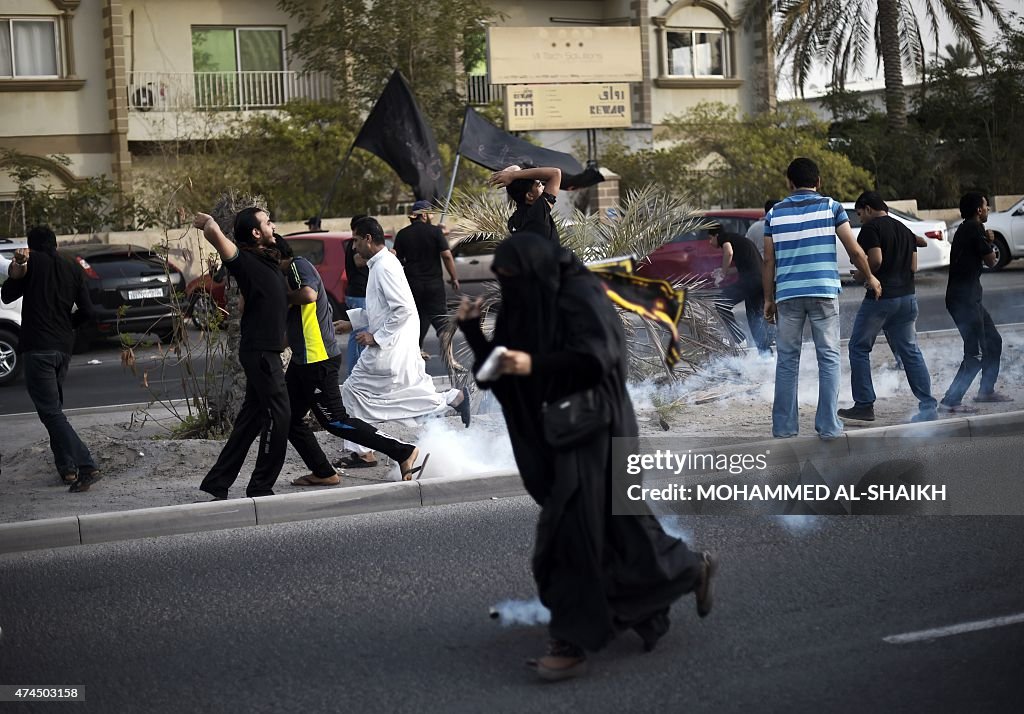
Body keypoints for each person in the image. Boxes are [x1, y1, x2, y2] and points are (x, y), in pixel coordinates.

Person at [456, 233, 715, 682]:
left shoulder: (579, 294)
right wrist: (473, 332)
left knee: (567, 536)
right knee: (622, 530)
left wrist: (533, 365)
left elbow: (598, 358)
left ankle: (570, 642)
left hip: (597, 428)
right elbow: (497, 372)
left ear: (536, 268)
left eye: (514, 276)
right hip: (556, 432)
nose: (509, 286)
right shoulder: (525, 302)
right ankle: (688, 570)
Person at [276, 236, 425, 485]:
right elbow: (296, 326)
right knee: (289, 418)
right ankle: (324, 472)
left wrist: (278, 295)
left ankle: (403, 451)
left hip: (317, 361)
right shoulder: (289, 274)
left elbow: (309, 295)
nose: (353, 248)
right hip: (304, 360)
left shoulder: (297, 267)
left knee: (335, 421)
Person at [337, 217, 470, 469]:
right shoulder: (380, 264)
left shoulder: (384, 266)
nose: (353, 247)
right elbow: (382, 310)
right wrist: (352, 323)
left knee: (355, 393)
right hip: (394, 344)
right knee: (394, 396)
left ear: (367, 238)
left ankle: (364, 453)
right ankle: (453, 399)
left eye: (355, 240)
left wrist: (375, 337)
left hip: (389, 347)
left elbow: (404, 310)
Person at [763, 158, 882, 440]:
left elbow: (769, 260)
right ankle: (828, 426)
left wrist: (768, 299)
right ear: (818, 182)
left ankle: (784, 428)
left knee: (787, 362)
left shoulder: (774, 214)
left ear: (788, 183)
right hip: (823, 293)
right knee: (828, 359)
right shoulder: (831, 207)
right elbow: (854, 250)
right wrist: (871, 277)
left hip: (788, 295)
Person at [193, 207, 290, 500]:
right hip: (260, 352)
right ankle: (261, 486)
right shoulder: (245, 261)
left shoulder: (268, 259)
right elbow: (217, 237)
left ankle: (217, 481)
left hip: (264, 349)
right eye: (267, 221)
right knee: (280, 414)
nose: (273, 224)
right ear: (255, 232)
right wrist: (209, 223)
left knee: (250, 420)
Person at [1, 226, 99, 492]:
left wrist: (20, 267)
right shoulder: (73, 267)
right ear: (55, 243)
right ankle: (67, 470)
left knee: (51, 413)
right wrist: (68, 325)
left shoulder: (33, 264)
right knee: (54, 411)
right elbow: (89, 311)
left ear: (31, 246)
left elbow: (7, 294)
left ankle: (86, 465)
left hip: (38, 348)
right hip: (63, 349)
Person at [837, 192, 938, 423]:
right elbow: (913, 267)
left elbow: (877, 259)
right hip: (908, 298)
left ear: (868, 209)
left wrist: (863, 275)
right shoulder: (904, 230)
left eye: (860, 213)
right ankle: (928, 406)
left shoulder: (871, 229)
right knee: (910, 351)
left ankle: (864, 405)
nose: (860, 218)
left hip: (881, 298)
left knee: (859, 348)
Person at [939, 192, 1011, 412]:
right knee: (975, 352)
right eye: (986, 206)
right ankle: (950, 401)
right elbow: (992, 261)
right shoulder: (974, 228)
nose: (988, 209)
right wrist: (989, 241)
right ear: (979, 210)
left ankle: (985, 391)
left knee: (994, 341)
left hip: (970, 298)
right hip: (964, 300)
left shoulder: (968, 228)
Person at [392, 200, 460, 353]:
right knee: (441, 321)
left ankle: (417, 352)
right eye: (430, 213)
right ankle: (450, 357)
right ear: (423, 215)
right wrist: (454, 277)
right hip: (434, 284)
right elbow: (447, 256)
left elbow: (397, 259)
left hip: (412, 284)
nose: (432, 217)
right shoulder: (435, 232)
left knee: (417, 319)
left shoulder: (403, 234)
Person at [709, 224, 772, 355]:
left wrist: (722, 274)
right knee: (755, 317)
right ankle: (766, 354)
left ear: (716, 235)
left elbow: (728, 252)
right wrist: (723, 271)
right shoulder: (738, 240)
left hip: (751, 281)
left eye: (710, 238)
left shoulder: (725, 238)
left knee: (721, 302)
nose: (710, 242)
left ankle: (739, 337)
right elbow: (742, 267)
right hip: (760, 280)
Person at [490, 164, 562, 244]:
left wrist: (512, 175)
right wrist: (512, 175)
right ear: (529, 195)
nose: (544, 188)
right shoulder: (537, 214)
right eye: (539, 185)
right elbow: (555, 173)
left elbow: (514, 168)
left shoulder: (514, 220)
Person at [343, 214, 371, 376]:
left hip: (359, 293)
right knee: (359, 334)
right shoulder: (355, 245)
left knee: (359, 332)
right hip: (359, 294)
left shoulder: (353, 243)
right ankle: (354, 374)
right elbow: (359, 261)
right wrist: (382, 256)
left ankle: (358, 372)